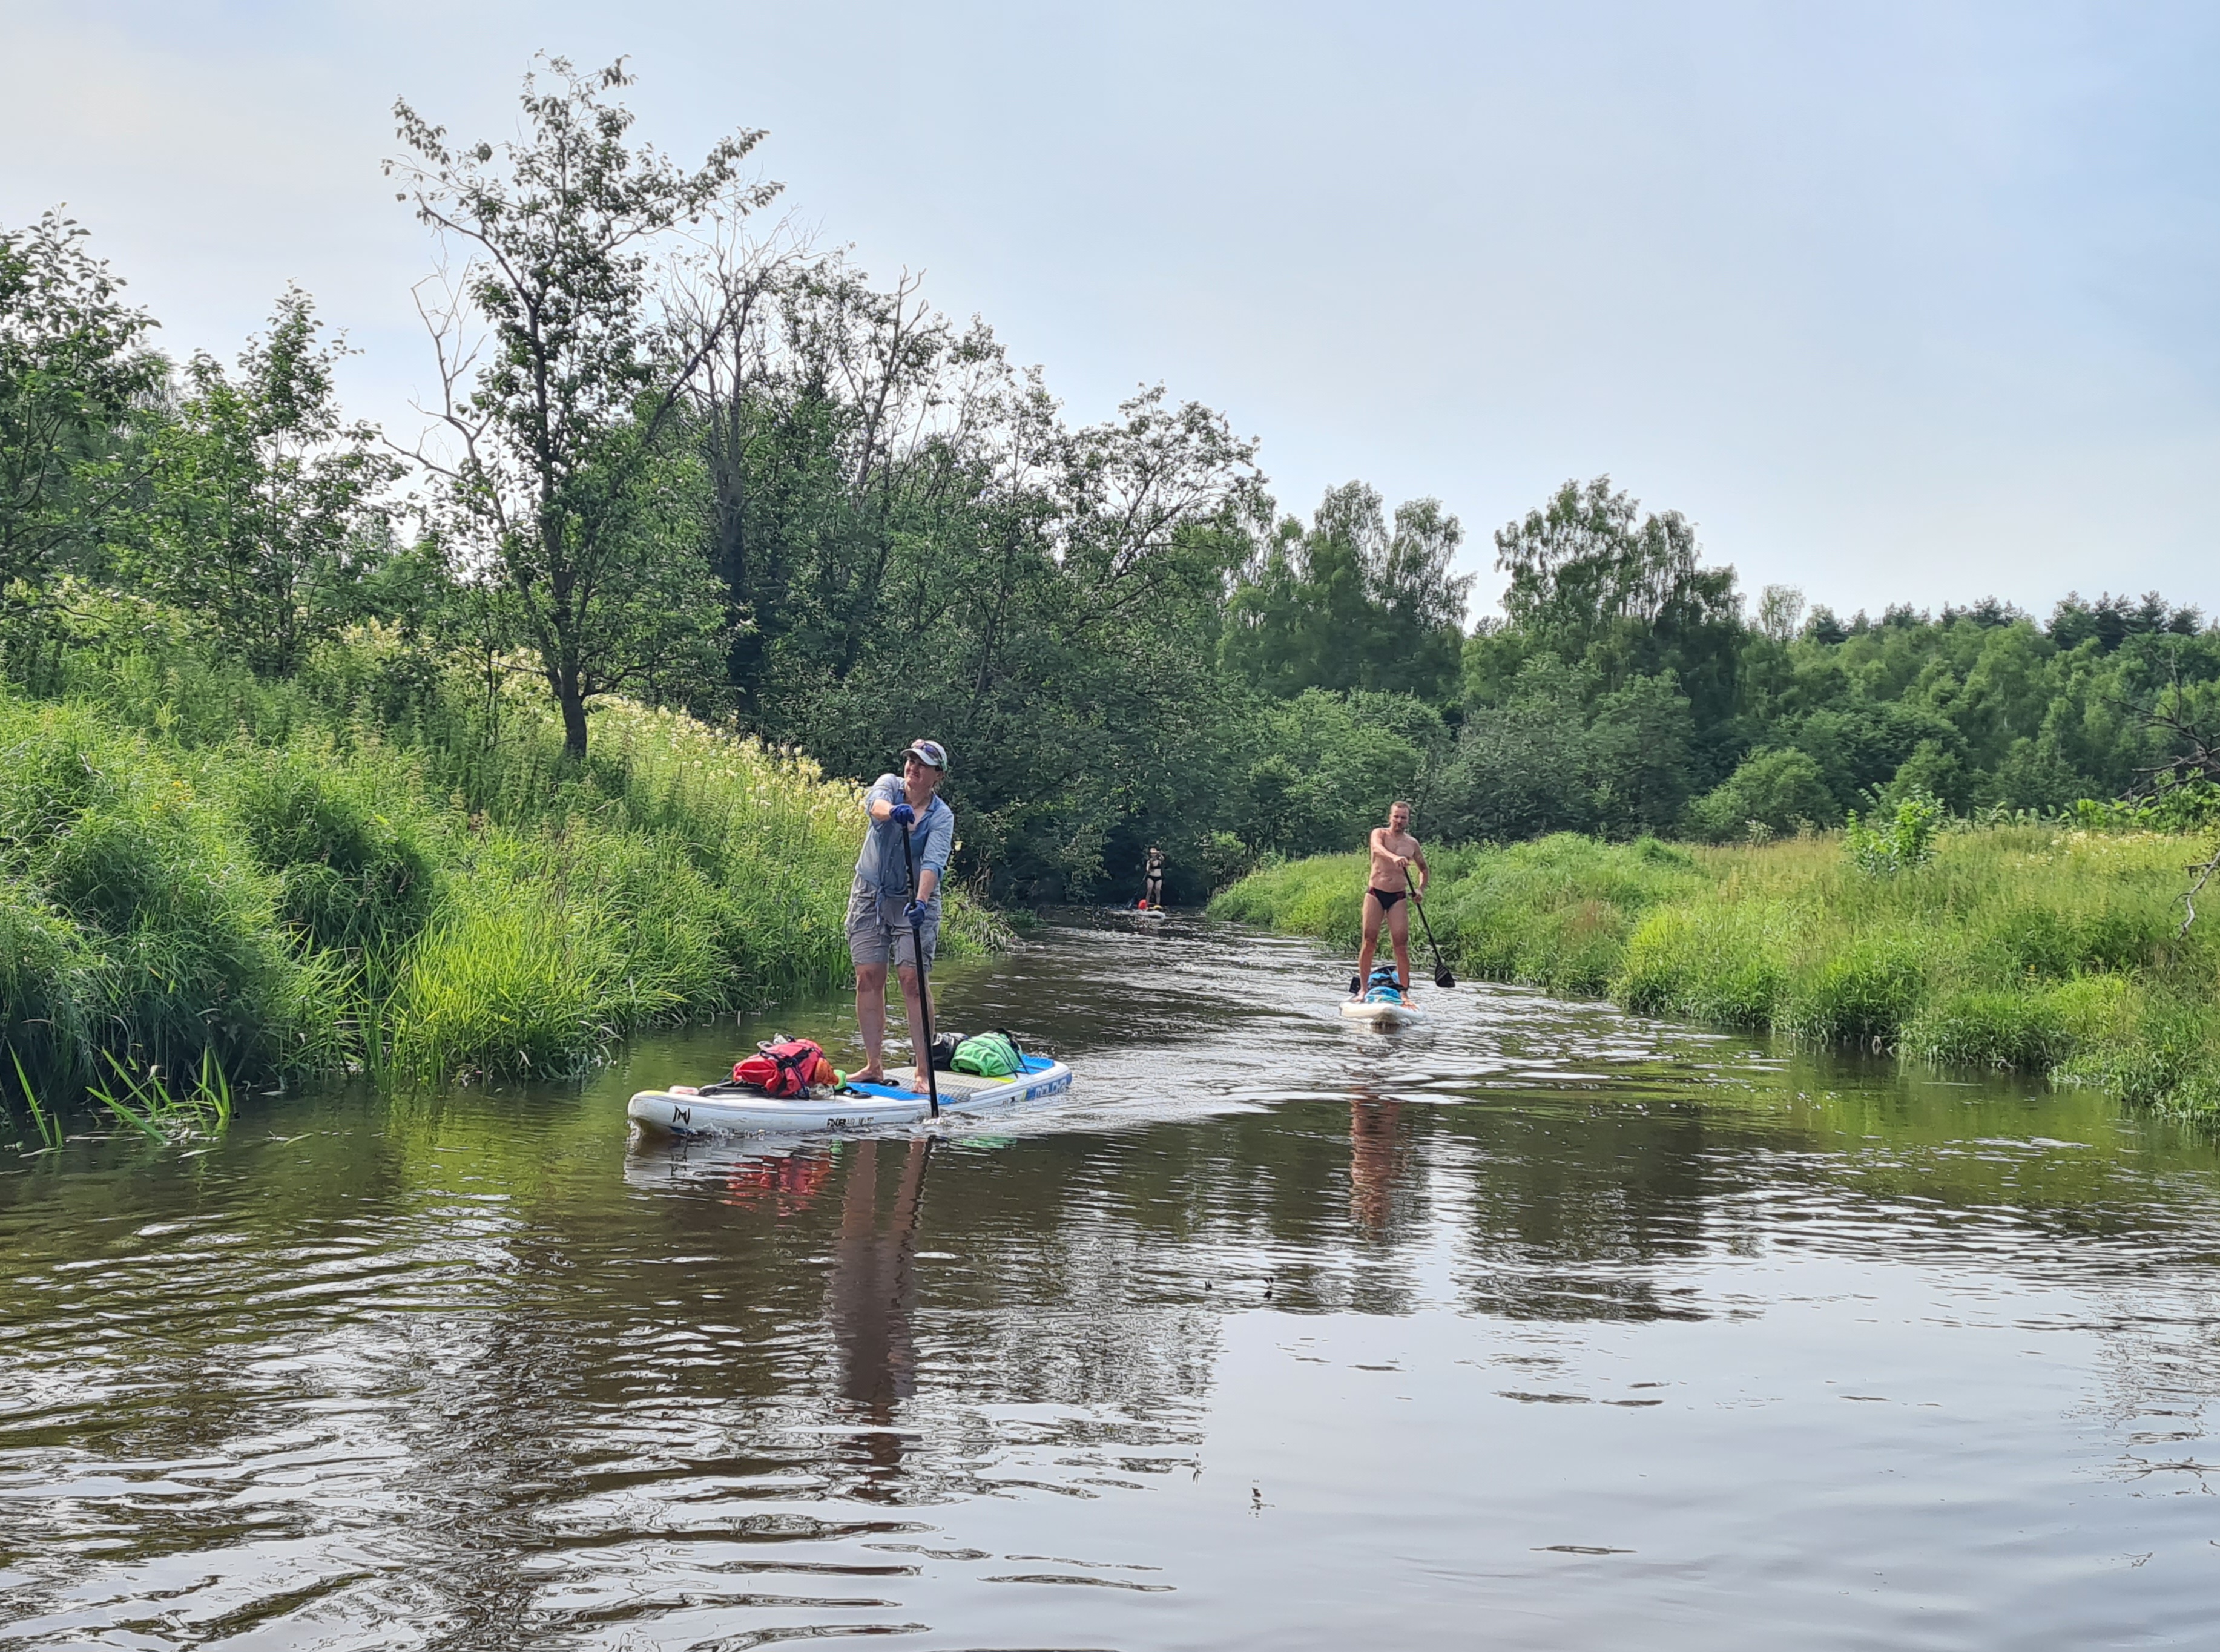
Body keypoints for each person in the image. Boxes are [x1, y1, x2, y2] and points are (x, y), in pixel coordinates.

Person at [848, 739, 954, 1089]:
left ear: (937, 775)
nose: (914, 767)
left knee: (912, 981)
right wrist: (894, 812)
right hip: (871, 894)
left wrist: (921, 902)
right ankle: (873, 1066)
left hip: (914, 901)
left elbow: (933, 863)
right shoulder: (890, 786)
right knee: (868, 976)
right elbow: (875, 806)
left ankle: (923, 1071)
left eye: (923, 764)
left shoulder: (941, 816)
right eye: (911, 760)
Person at [1352, 800, 1428, 996]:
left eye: (1403, 817)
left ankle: (1404, 994)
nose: (1399, 820)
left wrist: (1420, 889)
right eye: (1396, 816)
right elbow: (1376, 848)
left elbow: (1424, 870)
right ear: (1390, 817)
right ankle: (1363, 989)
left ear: (1408, 820)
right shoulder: (1379, 834)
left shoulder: (1412, 844)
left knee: (1401, 945)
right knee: (1369, 941)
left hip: (1398, 897)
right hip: (1375, 893)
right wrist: (1394, 857)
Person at [1142, 845, 1167, 910]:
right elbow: (1147, 870)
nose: (1154, 855)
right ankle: (1146, 905)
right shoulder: (1149, 861)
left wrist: (1159, 853)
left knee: (1158, 891)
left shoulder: (1159, 860)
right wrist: (1150, 865)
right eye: (1152, 854)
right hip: (1151, 877)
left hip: (1158, 877)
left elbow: (1163, 858)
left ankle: (1158, 904)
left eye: (1155, 853)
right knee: (1149, 890)